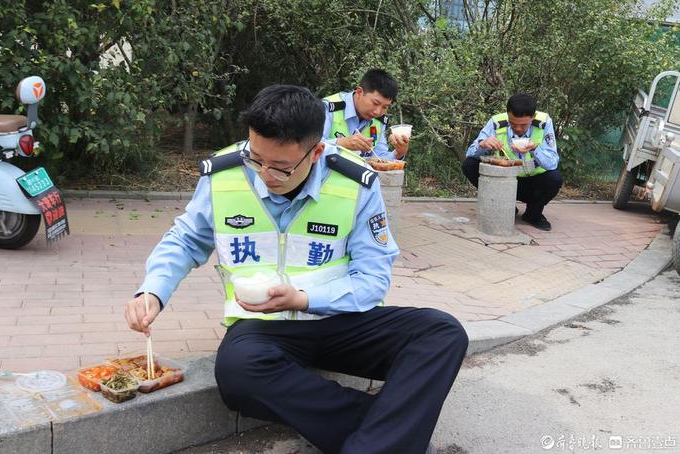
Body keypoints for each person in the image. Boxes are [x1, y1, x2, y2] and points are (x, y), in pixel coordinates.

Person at [124, 85, 468, 453]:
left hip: (340, 320)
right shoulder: (224, 175)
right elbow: (185, 240)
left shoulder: (356, 184)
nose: (264, 174)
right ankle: (389, 437)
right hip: (263, 328)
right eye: (256, 159)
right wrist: (152, 291)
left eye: (281, 167)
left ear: (316, 151)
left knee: (442, 333)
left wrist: (304, 299)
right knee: (236, 371)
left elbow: (373, 279)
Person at [462, 93, 563, 231]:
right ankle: (506, 205)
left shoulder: (544, 123)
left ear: (532, 117)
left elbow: (552, 163)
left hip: (534, 182)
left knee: (555, 178)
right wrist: (483, 144)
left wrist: (535, 149)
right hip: (505, 181)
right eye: (513, 123)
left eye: (523, 125)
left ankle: (533, 214)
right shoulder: (496, 122)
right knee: (469, 165)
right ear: (508, 115)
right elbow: (470, 154)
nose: (518, 128)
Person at [322, 69, 410, 161]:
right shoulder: (328, 108)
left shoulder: (379, 121)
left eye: (385, 107)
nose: (377, 112)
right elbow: (310, 148)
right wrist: (341, 143)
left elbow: (379, 158)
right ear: (359, 92)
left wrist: (399, 153)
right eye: (375, 103)